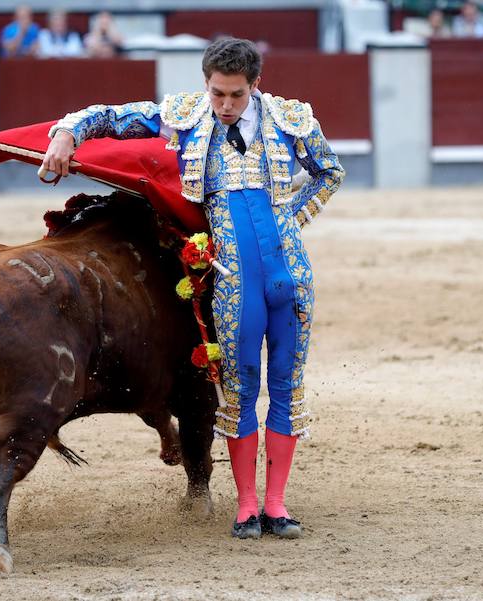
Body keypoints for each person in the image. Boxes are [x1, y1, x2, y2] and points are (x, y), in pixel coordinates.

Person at [41, 37, 344, 540]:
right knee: (240, 387)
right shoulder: (185, 115)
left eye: (235, 96)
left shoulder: (291, 119)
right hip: (233, 283)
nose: (224, 106)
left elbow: (329, 173)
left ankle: (277, 504)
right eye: (217, 94)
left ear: (255, 87)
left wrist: (292, 216)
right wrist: (67, 132)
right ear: (206, 84)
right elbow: (112, 117)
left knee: (288, 389)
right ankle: (248, 506)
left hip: (290, 278)